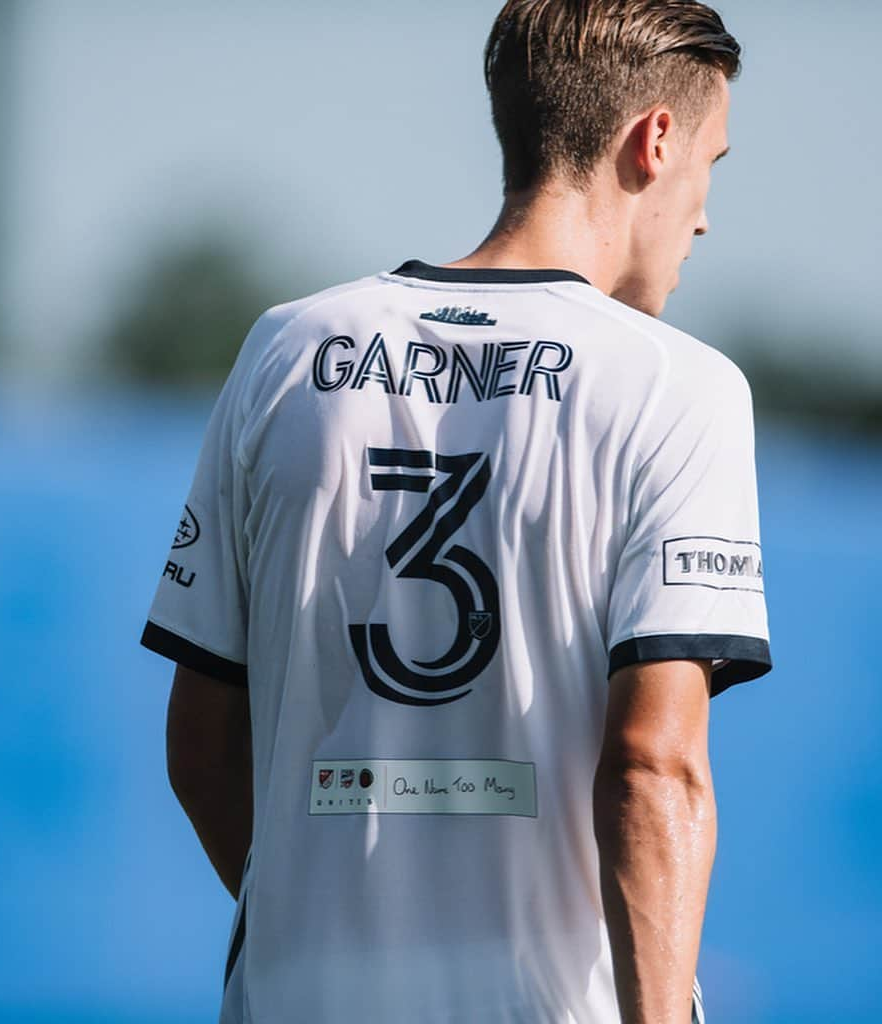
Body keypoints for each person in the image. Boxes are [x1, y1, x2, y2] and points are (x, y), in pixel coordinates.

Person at [140, 1, 771, 1021]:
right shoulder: (677, 385)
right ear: (655, 141)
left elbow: (199, 744)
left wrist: (323, 944)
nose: (702, 214)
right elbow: (653, 766)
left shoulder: (285, 349)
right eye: (713, 164)